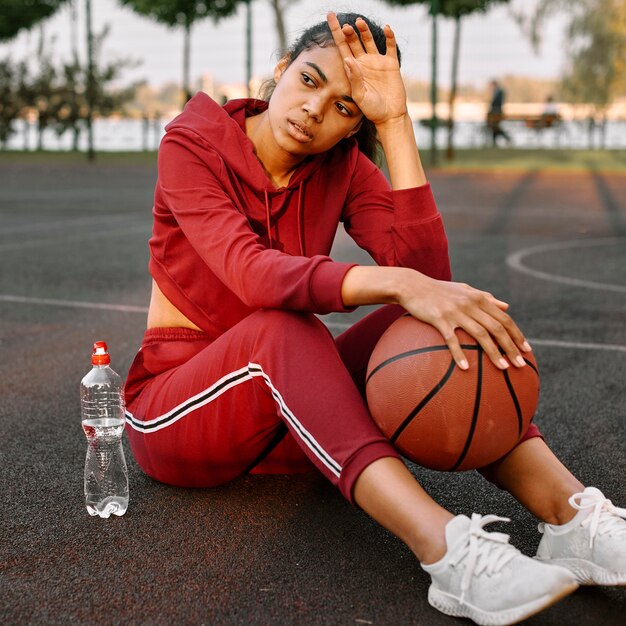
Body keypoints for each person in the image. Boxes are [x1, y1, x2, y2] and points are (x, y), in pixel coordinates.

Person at [123, 12, 626, 626]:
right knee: (285, 326)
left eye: (344, 108)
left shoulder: (341, 165)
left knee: (448, 325)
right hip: (176, 416)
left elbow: (428, 274)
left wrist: (394, 122)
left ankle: (571, 516)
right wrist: (398, 284)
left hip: (292, 419)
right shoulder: (192, 142)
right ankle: (449, 555)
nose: (314, 110)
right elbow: (253, 274)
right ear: (281, 71)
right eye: (308, 81)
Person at [487, 79, 512, 146]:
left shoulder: (500, 92)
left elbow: (498, 103)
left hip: (497, 112)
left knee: (495, 127)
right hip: (494, 112)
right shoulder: (495, 92)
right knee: (494, 127)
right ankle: (495, 141)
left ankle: (506, 138)